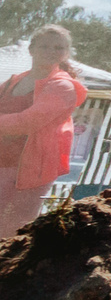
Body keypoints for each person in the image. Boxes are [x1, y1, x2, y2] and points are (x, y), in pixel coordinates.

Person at [0, 24, 88, 238]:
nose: (51, 52)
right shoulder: (14, 81)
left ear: (66, 53)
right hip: (3, 161)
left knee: (12, 229)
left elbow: (26, 122)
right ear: (31, 49)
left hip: (31, 168)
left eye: (58, 48)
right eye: (45, 46)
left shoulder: (63, 86)